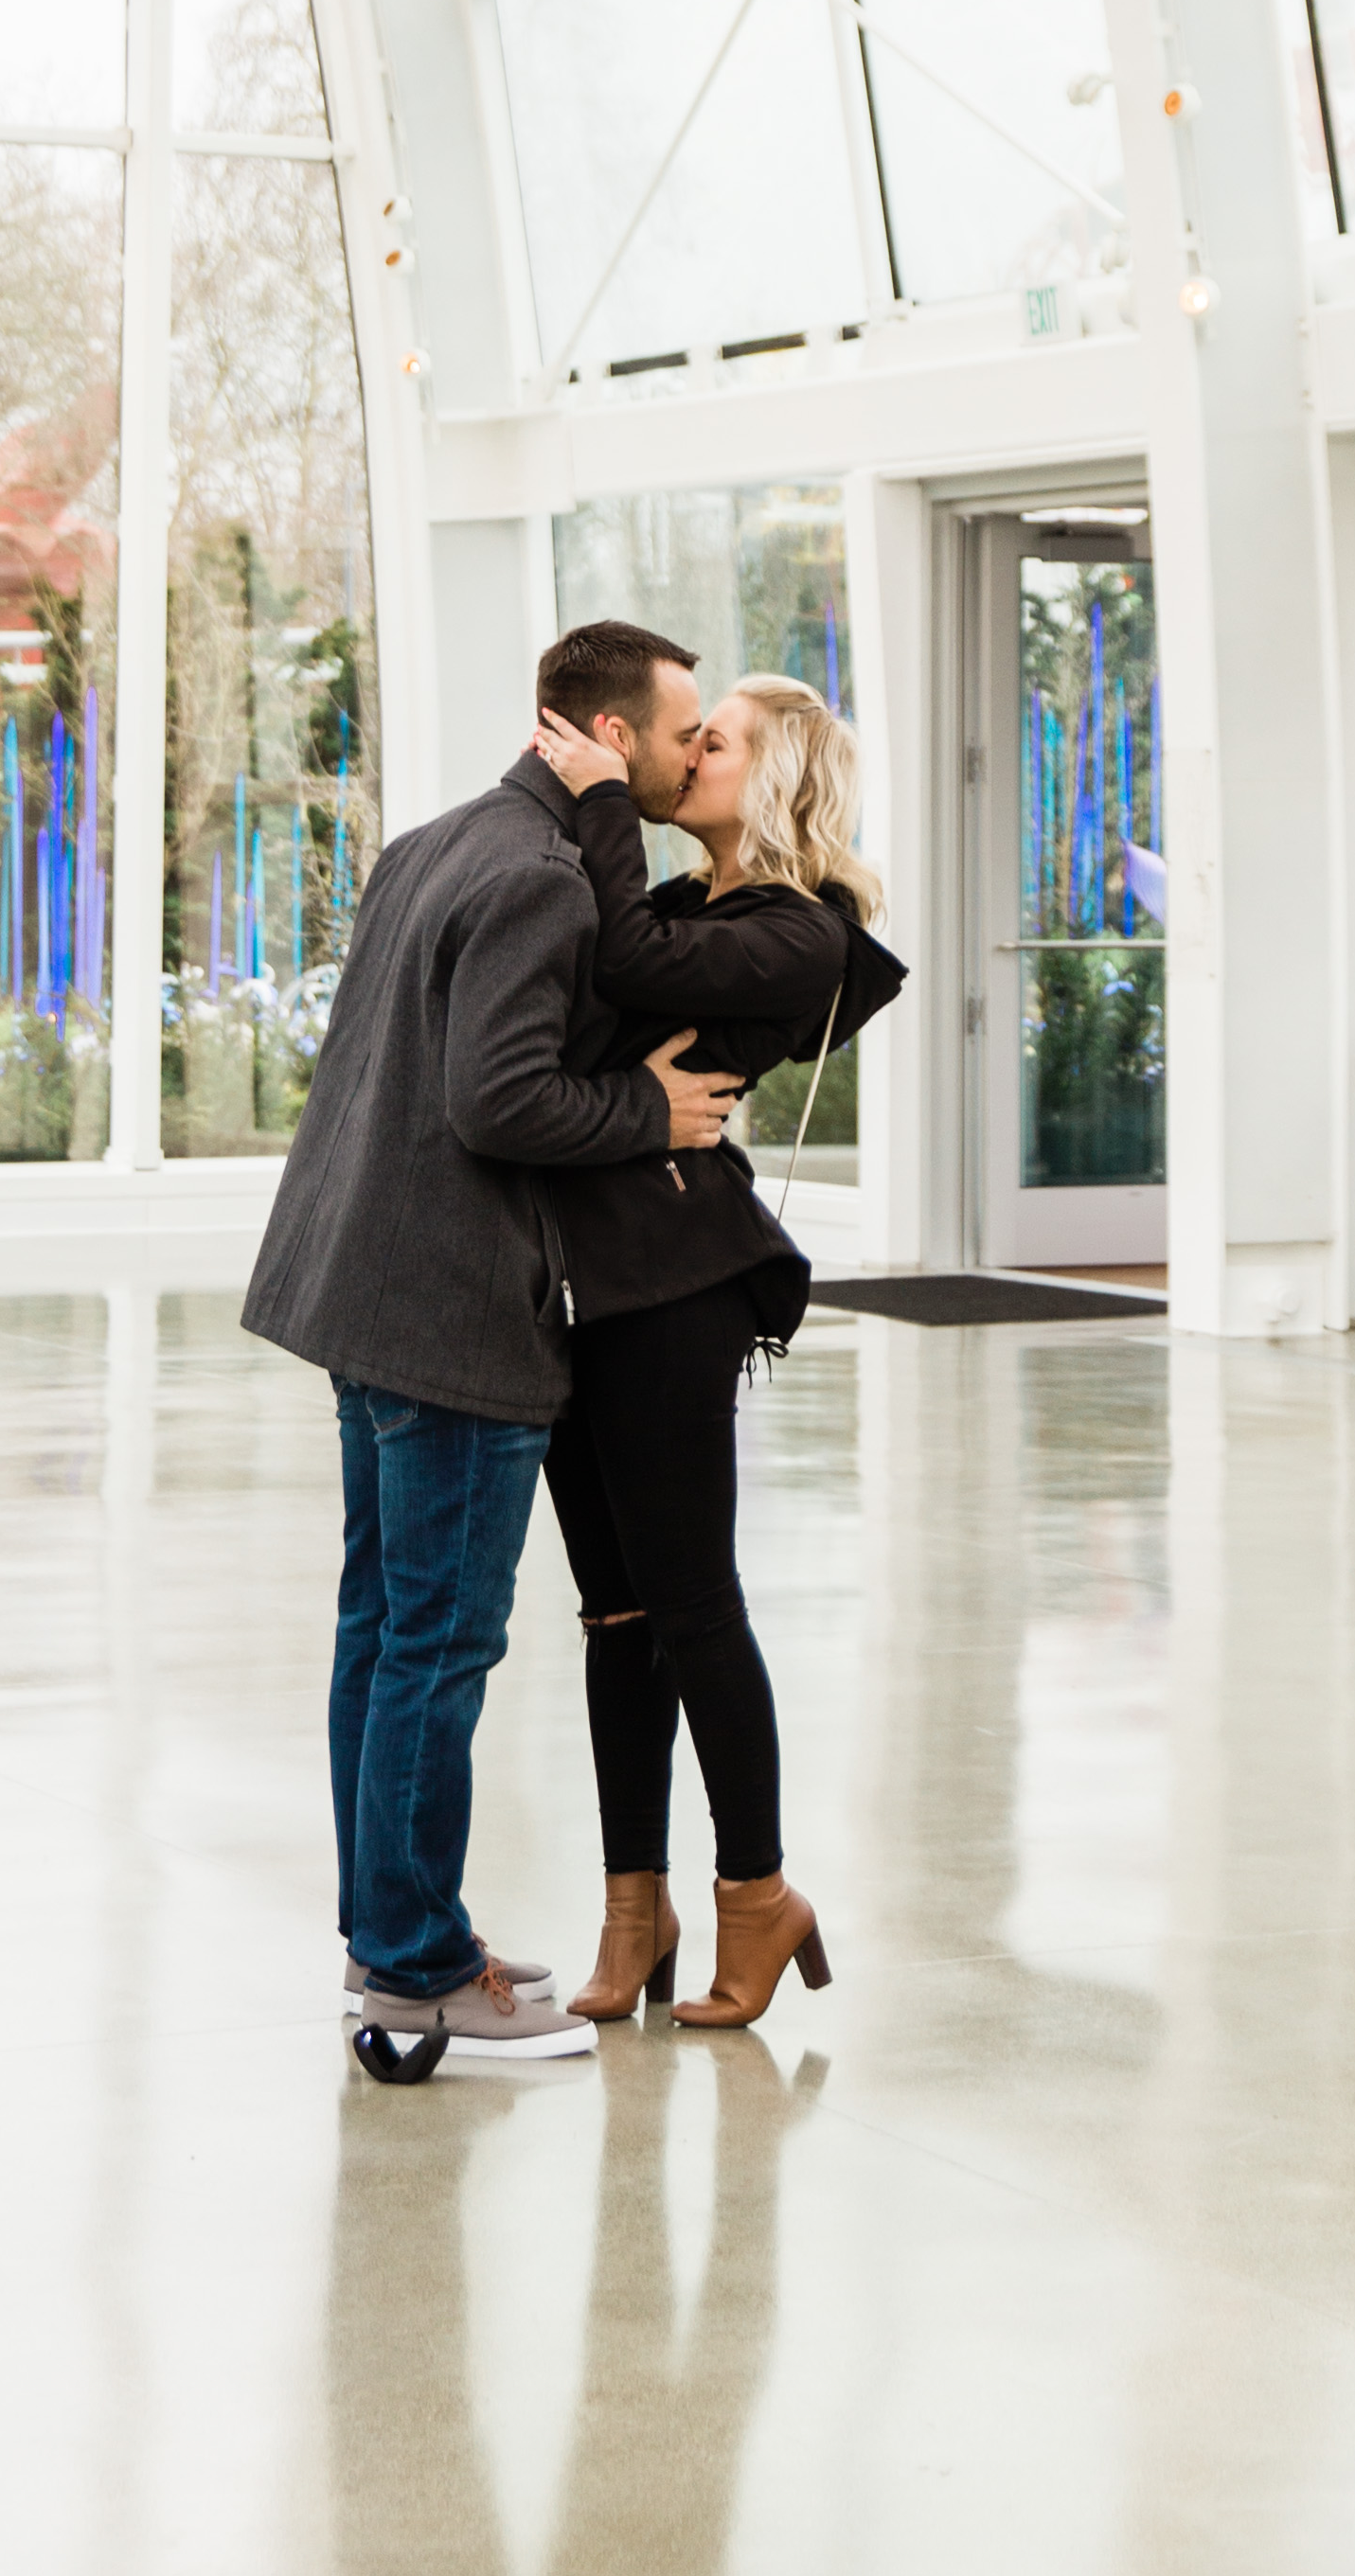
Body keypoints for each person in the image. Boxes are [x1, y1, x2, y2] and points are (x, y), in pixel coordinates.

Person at [241, 619, 738, 2066]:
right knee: (438, 1642)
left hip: (359, 1288)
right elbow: (497, 1101)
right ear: (604, 731)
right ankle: (410, 1970)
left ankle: (395, 1934)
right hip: (453, 1311)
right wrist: (652, 1113)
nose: (690, 750)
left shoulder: (444, 840)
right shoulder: (538, 880)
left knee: (382, 1631)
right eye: (678, 729)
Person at [528, 672, 905, 2034]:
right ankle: (637, 1904)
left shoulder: (800, 930)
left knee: (690, 1602)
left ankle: (755, 1890)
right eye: (689, 733)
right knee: (609, 1615)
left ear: (781, 773)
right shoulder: (689, 904)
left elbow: (619, 968)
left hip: (677, 1281)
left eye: (717, 739)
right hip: (579, 1278)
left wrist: (588, 802)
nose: (690, 752)